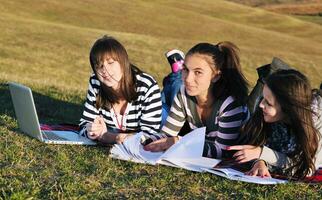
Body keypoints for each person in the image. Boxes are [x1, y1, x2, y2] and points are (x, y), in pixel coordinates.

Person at [144, 42, 250, 159]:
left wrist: (179, 142)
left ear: (216, 76)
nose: (188, 79)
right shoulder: (183, 92)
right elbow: (167, 134)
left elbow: (222, 151)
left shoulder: (230, 104)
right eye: (185, 69)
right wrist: (142, 139)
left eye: (198, 72)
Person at [227, 69, 322, 180]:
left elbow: (307, 169)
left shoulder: (315, 123)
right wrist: (260, 162)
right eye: (263, 98)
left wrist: (261, 153)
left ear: (288, 109)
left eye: (269, 103)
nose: (261, 105)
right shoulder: (268, 115)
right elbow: (257, 144)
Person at [79, 35, 163, 144]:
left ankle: (176, 72)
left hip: (162, 110)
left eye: (110, 62)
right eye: (99, 65)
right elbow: (83, 125)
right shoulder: (96, 81)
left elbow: (149, 136)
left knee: (174, 90)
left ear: (123, 62)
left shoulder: (146, 85)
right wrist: (91, 130)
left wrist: (108, 136)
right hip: (122, 130)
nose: (104, 71)